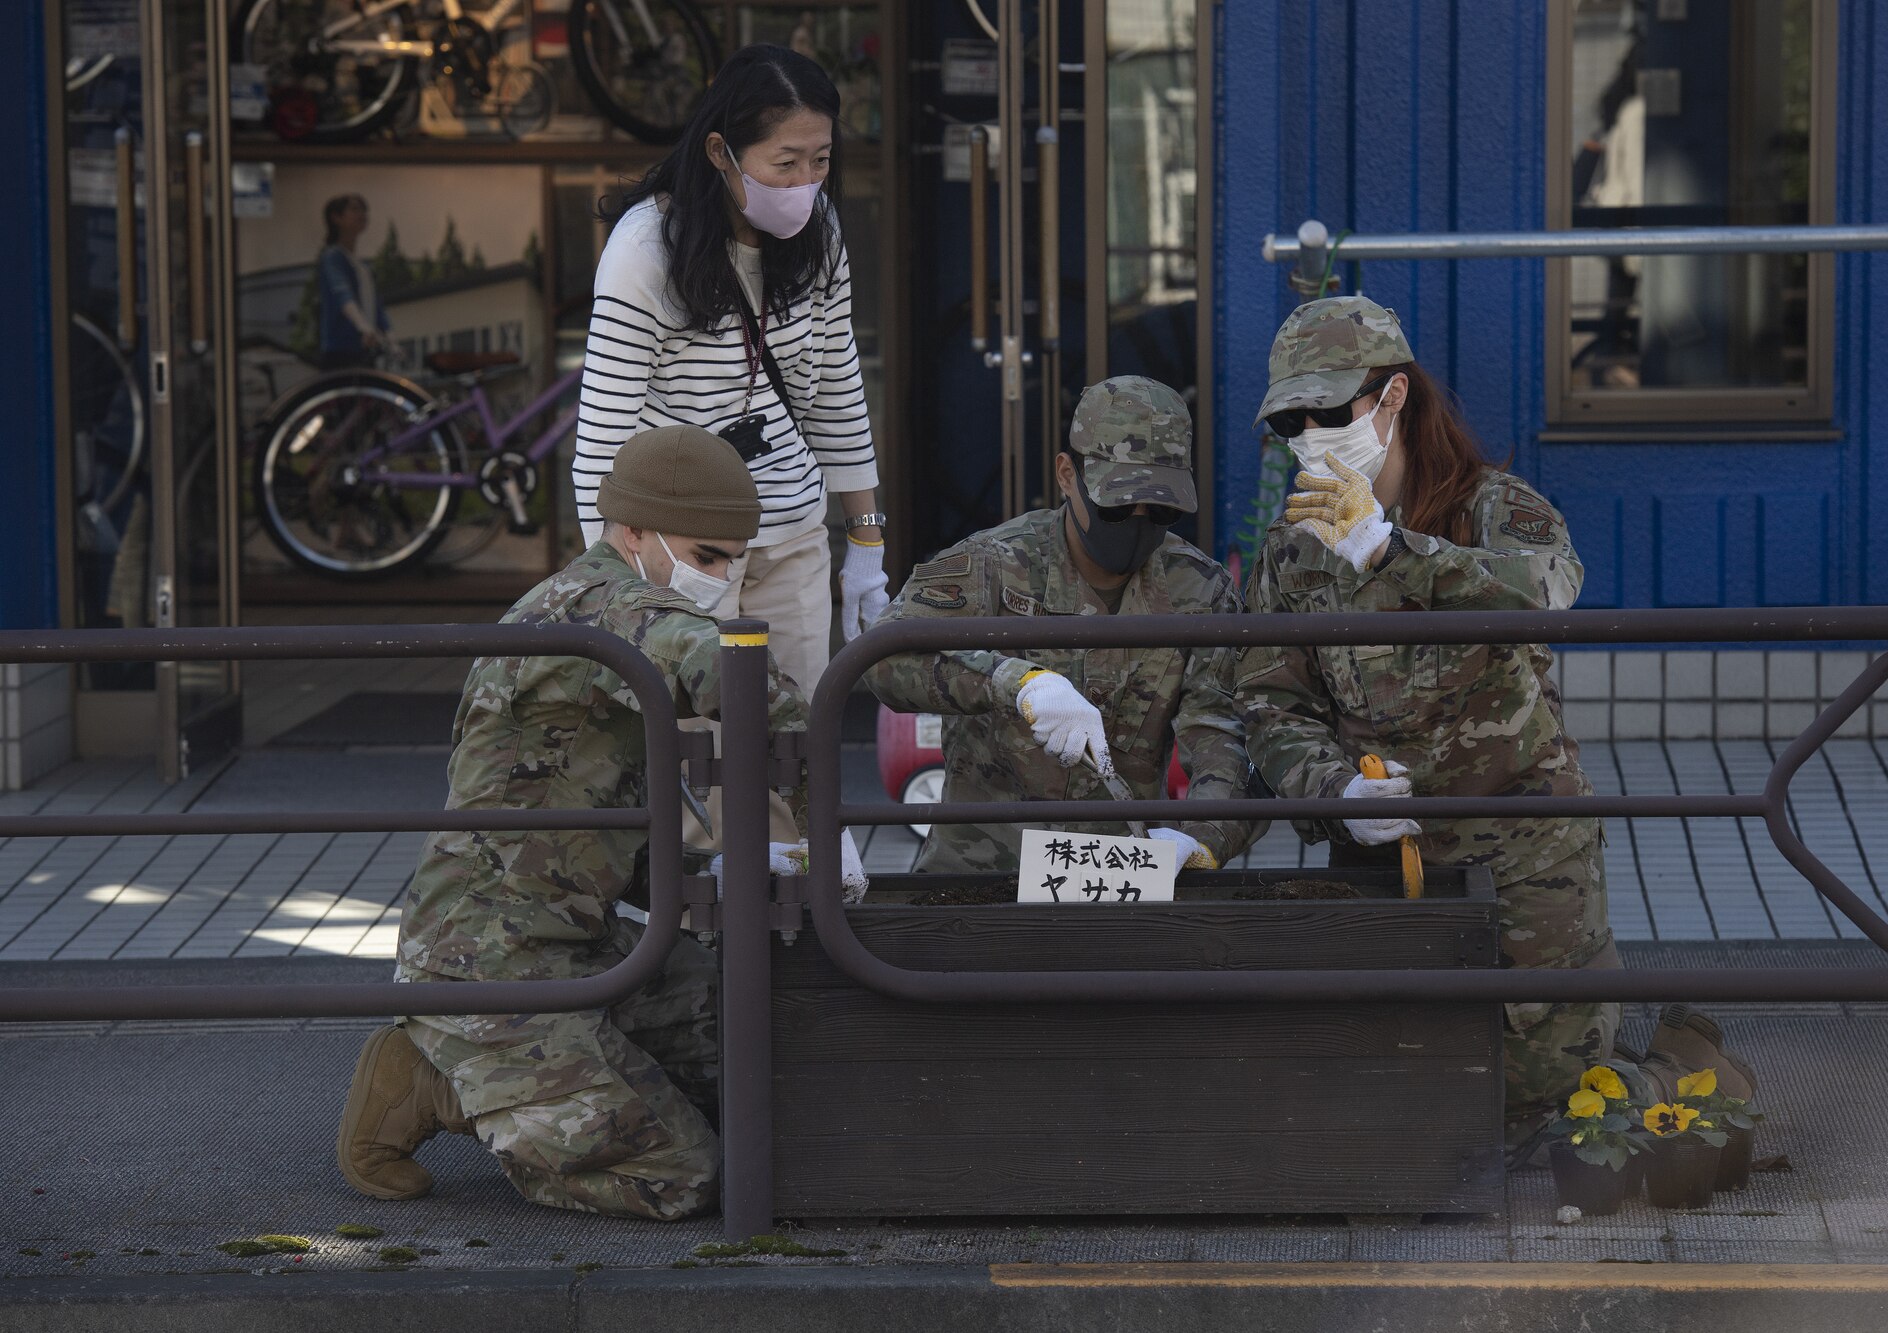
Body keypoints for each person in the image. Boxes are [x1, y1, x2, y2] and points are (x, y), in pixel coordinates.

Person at [1233, 296, 1753, 1150]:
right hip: (1383, 853)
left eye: (1329, 410)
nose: (1310, 433)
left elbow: (1550, 590)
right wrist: (1328, 785)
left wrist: (1395, 552)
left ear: (1392, 396)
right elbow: (1271, 699)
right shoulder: (1294, 550)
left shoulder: (1490, 506)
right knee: (1394, 1109)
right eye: (1292, 419)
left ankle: (1677, 1062)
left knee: (1547, 1113)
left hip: (1522, 850)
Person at [335, 425, 867, 1222]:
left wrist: (735, 862)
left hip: (579, 942)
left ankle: (520, 1083)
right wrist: (830, 819)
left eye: (735, 559)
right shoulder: (605, 608)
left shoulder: (600, 605)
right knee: (681, 1171)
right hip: (492, 965)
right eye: (707, 554)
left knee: (756, 1038)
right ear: (633, 531)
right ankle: (442, 1082)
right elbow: (724, 671)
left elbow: (596, 800)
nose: (722, 577)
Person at [574, 44, 887, 704]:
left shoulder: (821, 231)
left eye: (821, 160)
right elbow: (604, 437)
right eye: (785, 163)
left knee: (794, 746)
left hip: (795, 533)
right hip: (682, 544)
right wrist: (611, 585)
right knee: (693, 753)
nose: (806, 181)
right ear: (721, 152)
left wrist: (866, 541)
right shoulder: (645, 250)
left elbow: (837, 388)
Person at [865, 376, 1261, 876]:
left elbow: (1224, 735)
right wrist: (1015, 683)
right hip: (983, 875)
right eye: (1117, 506)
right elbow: (882, 658)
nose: (1139, 521)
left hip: (1120, 877)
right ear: (1067, 475)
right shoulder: (994, 565)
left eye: (1161, 509)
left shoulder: (1199, 592)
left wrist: (1202, 840)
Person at [316, 194, 389, 369]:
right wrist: (363, 327)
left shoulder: (362, 267)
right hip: (341, 350)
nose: (362, 214)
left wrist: (389, 336)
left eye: (364, 210)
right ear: (336, 217)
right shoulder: (332, 257)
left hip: (364, 348)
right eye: (354, 209)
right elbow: (342, 294)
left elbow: (375, 306)